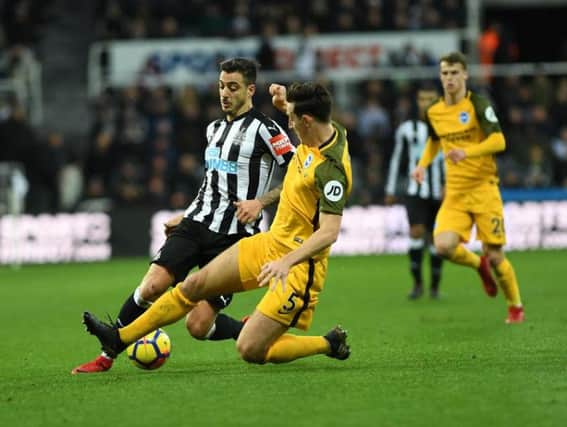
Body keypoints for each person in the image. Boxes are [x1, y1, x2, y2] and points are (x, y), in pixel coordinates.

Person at [82, 81, 352, 365]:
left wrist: (287, 262)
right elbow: (307, 116)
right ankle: (119, 339)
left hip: (299, 267)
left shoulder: (331, 170)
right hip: (270, 244)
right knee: (193, 286)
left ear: (307, 121)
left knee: (251, 349)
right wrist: (287, 102)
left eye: (292, 118)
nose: (290, 124)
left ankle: (328, 343)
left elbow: (329, 232)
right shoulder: (324, 130)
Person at [71, 57, 296, 374]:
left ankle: (242, 329)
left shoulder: (266, 129)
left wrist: (261, 202)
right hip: (197, 223)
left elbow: (300, 173)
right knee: (152, 287)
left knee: (197, 325)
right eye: (221, 86)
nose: (225, 93)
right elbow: (212, 182)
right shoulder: (213, 129)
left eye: (233, 87)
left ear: (250, 89)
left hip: (234, 240)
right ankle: (108, 355)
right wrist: (186, 214)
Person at [411, 51, 524, 324]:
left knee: (497, 255)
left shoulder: (478, 104)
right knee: (443, 246)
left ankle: (515, 307)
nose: (449, 78)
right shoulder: (435, 111)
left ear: (465, 75)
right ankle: (478, 264)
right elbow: (434, 140)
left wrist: (467, 152)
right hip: (456, 192)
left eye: (454, 73)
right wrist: (422, 165)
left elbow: (499, 141)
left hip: (485, 188)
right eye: (444, 73)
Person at [385, 84, 445, 299]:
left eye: (430, 98)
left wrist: (452, 185)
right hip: (414, 190)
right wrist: (390, 189)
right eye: (422, 98)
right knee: (417, 232)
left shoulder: (447, 127)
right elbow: (396, 159)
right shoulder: (406, 129)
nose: (426, 103)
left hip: (440, 190)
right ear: (417, 102)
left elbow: (451, 158)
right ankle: (418, 284)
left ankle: (435, 287)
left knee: (437, 239)